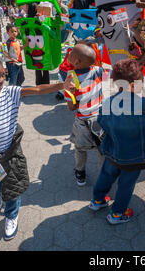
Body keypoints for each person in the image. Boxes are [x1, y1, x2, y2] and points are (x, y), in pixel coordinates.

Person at [0, 52, 71, 240]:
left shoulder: (10, 92)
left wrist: (62, 85)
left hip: (11, 152)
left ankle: (11, 216)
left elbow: (37, 89)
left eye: (3, 74)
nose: (2, 79)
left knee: (13, 190)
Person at [88, 59, 145, 224]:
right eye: (141, 81)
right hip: (134, 157)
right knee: (126, 184)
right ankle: (117, 214)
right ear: (132, 85)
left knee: (106, 175)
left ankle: (97, 201)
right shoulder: (144, 105)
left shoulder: (109, 102)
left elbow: (101, 120)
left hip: (112, 150)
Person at [65, 43, 106, 186]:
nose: (69, 53)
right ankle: (104, 175)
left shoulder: (71, 79)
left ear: (76, 62)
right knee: (102, 149)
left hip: (82, 121)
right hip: (100, 119)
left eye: (71, 53)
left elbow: (71, 107)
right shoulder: (98, 70)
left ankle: (80, 173)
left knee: (80, 148)